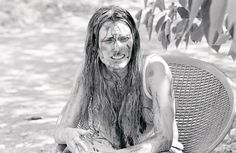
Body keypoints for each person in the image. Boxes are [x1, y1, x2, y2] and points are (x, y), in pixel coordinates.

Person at [54, 5, 183, 153]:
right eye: (109, 40)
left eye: (124, 39)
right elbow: (60, 131)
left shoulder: (153, 69)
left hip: (154, 149)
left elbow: (165, 139)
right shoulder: (89, 71)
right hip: (107, 147)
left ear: (133, 42)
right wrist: (68, 134)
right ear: (95, 47)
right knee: (66, 149)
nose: (118, 48)